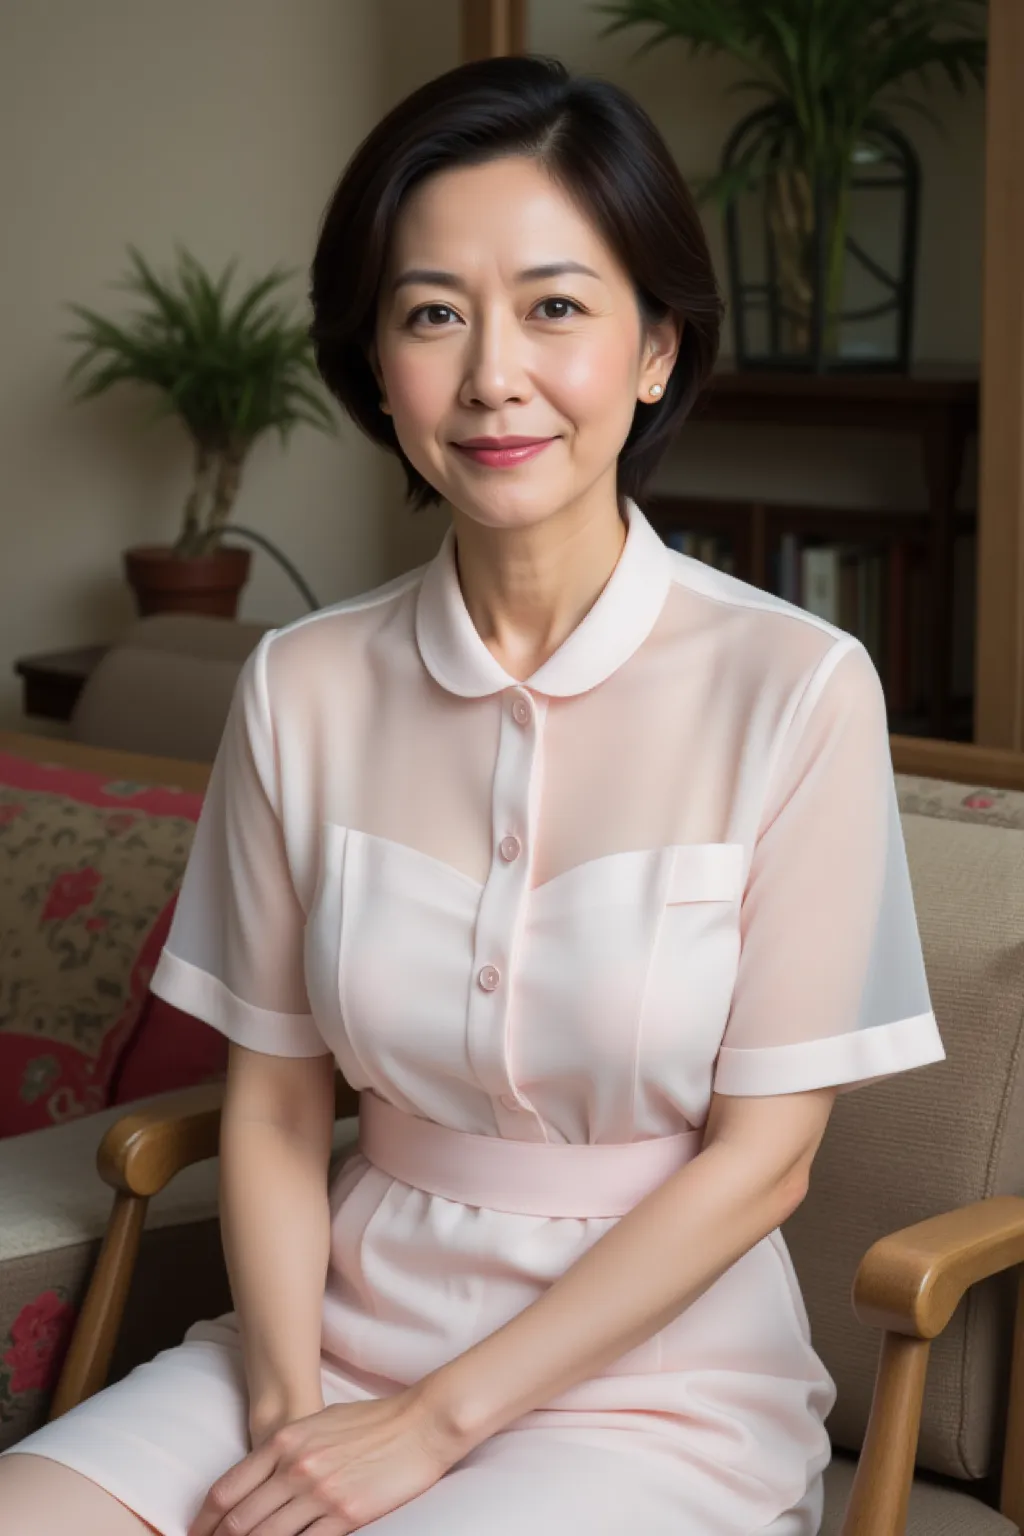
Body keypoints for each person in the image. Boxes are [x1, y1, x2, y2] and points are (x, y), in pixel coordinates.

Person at [0, 51, 946, 1536]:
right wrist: (291, 1407)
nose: (492, 372)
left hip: (653, 1388)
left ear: (656, 349)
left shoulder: (798, 688)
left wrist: (429, 1432)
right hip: (332, 1337)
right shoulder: (301, 685)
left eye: (556, 307)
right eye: (434, 313)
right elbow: (271, 1108)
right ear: (380, 367)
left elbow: (766, 1168)